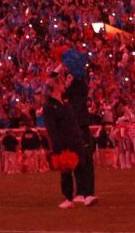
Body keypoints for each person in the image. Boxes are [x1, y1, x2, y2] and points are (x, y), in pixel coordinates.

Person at [41, 76, 87, 208]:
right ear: (55, 86)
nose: (64, 84)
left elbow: (73, 122)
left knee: (80, 167)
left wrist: (79, 135)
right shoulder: (49, 106)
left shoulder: (65, 102)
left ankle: (81, 194)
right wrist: (57, 146)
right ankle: (68, 197)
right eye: (61, 82)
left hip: (75, 139)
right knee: (66, 170)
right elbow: (52, 129)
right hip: (63, 142)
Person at [63, 49, 98, 205]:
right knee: (78, 157)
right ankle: (82, 191)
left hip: (80, 122)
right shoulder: (75, 79)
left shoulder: (79, 80)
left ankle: (87, 191)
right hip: (75, 122)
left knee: (85, 158)